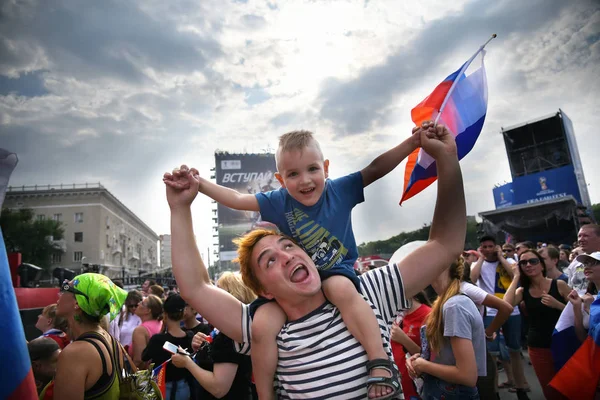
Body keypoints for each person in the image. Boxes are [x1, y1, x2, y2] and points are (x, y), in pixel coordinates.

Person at [165, 121, 467, 399]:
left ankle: (379, 363)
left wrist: (446, 158)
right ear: (264, 290)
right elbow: (195, 287)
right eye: (268, 261)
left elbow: (446, 244)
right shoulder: (264, 328)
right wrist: (182, 204)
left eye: (288, 244)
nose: (286, 255)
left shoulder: (369, 292)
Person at [406, 257, 486, 399]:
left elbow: (467, 375)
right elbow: (448, 356)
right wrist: (422, 358)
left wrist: (423, 366)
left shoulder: (454, 306)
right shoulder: (447, 302)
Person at [172, 272, 255, 399]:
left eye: (218, 292)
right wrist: (202, 347)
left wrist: (187, 363)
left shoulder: (230, 334)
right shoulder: (230, 329)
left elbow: (218, 388)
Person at [504, 249, 571, 399]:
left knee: (571, 388)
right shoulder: (522, 291)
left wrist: (557, 305)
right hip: (538, 347)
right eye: (523, 263)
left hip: (564, 343)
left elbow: (578, 311)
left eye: (533, 261)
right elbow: (506, 306)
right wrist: (515, 278)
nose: (528, 265)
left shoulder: (559, 285)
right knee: (550, 391)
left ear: (541, 265)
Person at [470, 235, 530, 396]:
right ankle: (493, 391)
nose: (488, 250)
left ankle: (521, 387)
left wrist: (501, 257)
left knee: (515, 350)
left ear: (496, 247)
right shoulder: (478, 264)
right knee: (492, 355)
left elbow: (514, 276)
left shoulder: (509, 262)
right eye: (485, 247)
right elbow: (472, 279)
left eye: (491, 246)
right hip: (490, 311)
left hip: (512, 310)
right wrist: (481, 258)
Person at [53, 273, 127, 400]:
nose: (59, 295)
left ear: (77, 303)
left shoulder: (76, 353)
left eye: (65, 288)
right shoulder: (110, 340)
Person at [460, 260, 514, 399]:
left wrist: (489, 331)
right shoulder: (453, 289)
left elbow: (505, 307)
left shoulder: (466, 288)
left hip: (476, 351)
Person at [142, 294, 193, 400]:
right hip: (183, 387)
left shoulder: (158, 339)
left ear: (165, 314)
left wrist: (161, 332)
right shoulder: (190, 337)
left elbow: (144, 356)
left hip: (161, 386)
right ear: (183, 313)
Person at [390, 291, 432, 399]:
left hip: (416, 388)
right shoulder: (392, 315)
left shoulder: (428, 315)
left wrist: (404, 339)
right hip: (397, 386)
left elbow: (431, 359)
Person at [130, 294, 163, 368]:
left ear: (148, 310)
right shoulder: (160, 323)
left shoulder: (140, 330)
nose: (138, 303)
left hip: (145, 375)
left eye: (142, 303)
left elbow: (139, 360)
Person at [566, 224, 600, 295]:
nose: (580, 239)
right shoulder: (575, 262)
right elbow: (570, 288)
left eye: (585, 236)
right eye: (579, 236)